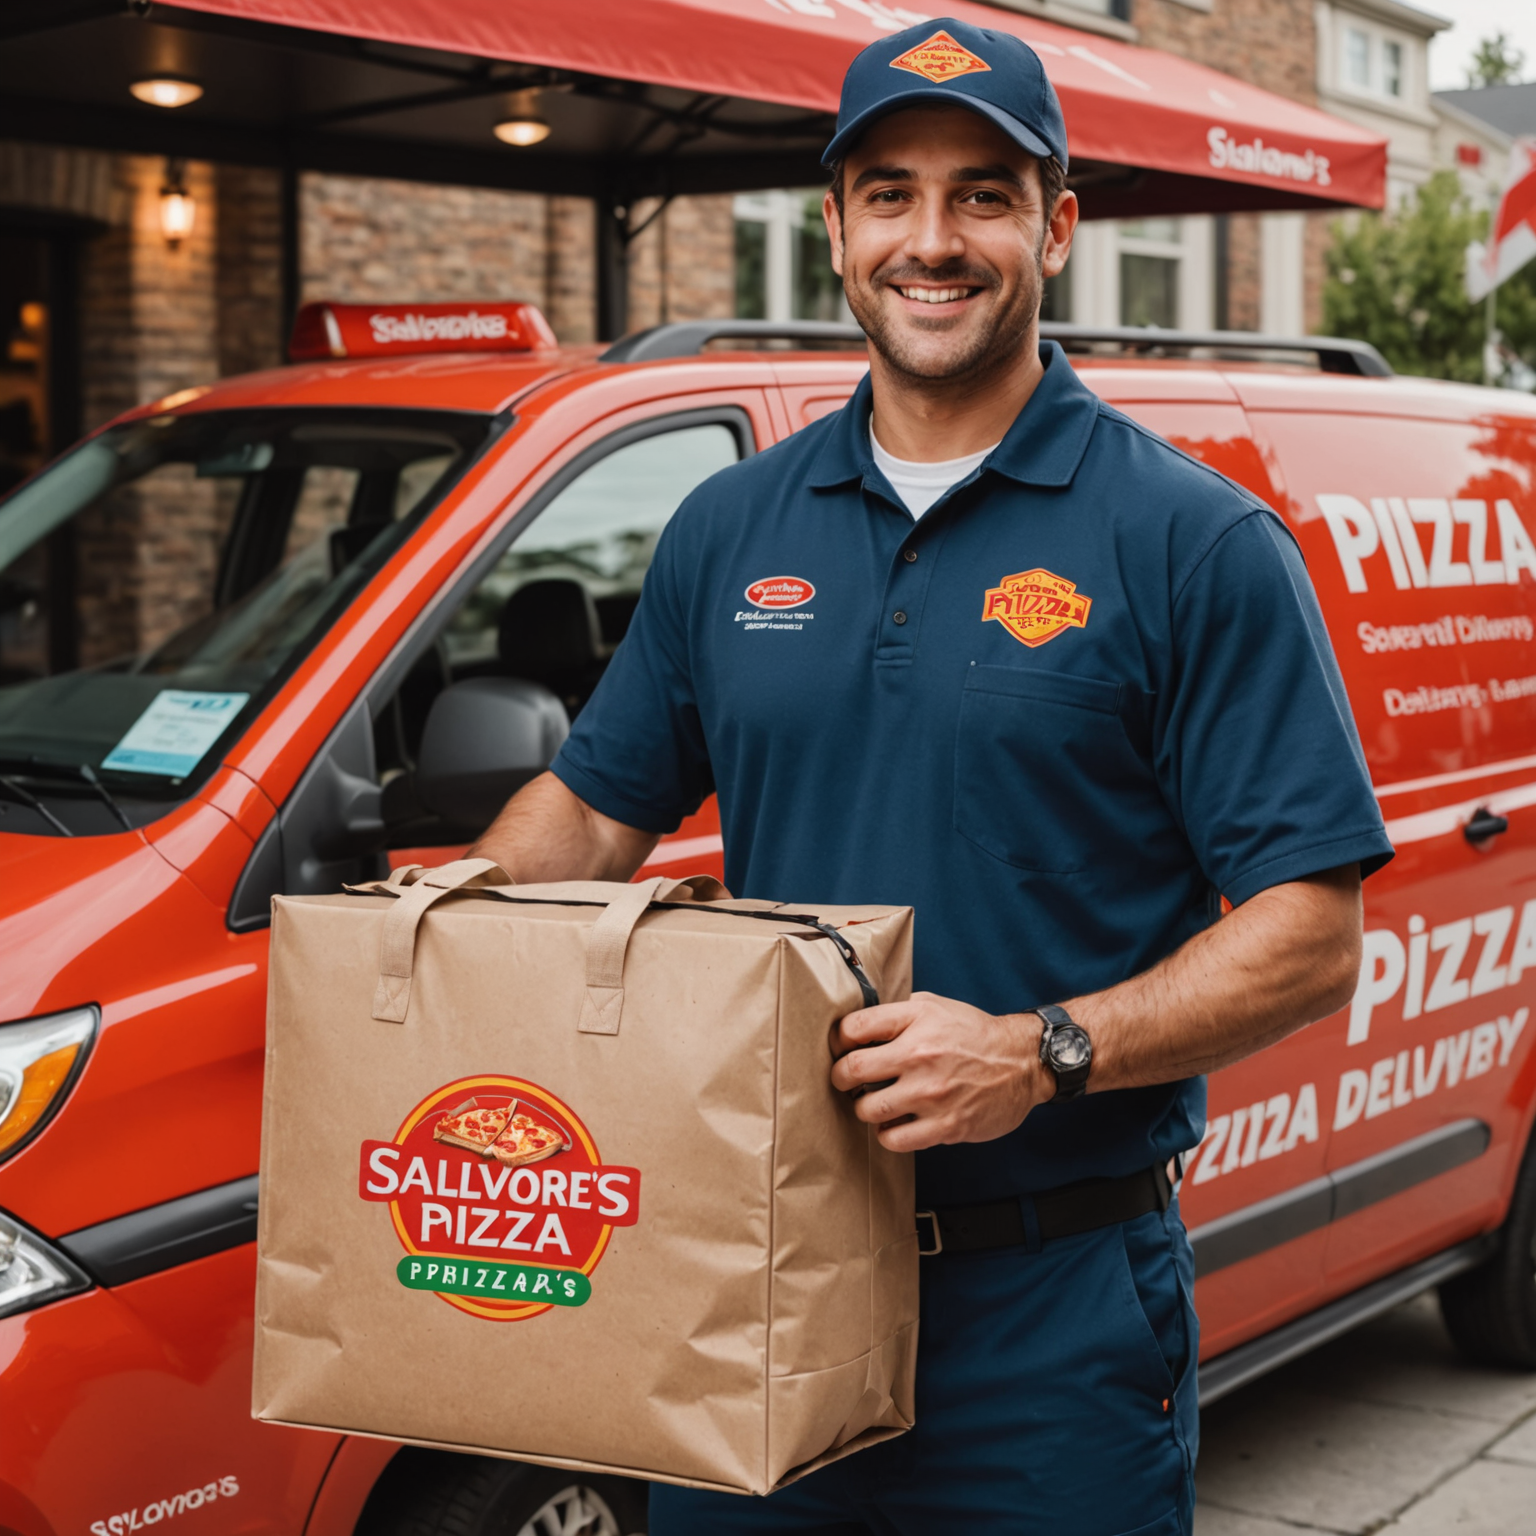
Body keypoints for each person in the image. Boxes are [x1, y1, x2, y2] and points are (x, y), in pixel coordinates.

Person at [471, 17, 1393, 1534]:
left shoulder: (1193, 542)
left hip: (1051, 1321)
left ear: (1057, 227)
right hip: (748, 1287)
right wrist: (440, 918)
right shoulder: (729, 528)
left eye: (983, 194)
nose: (934, 240)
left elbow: (1312, 931)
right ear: (836, 229)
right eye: (890, 193)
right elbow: (591, 807)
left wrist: (1039, 1053)